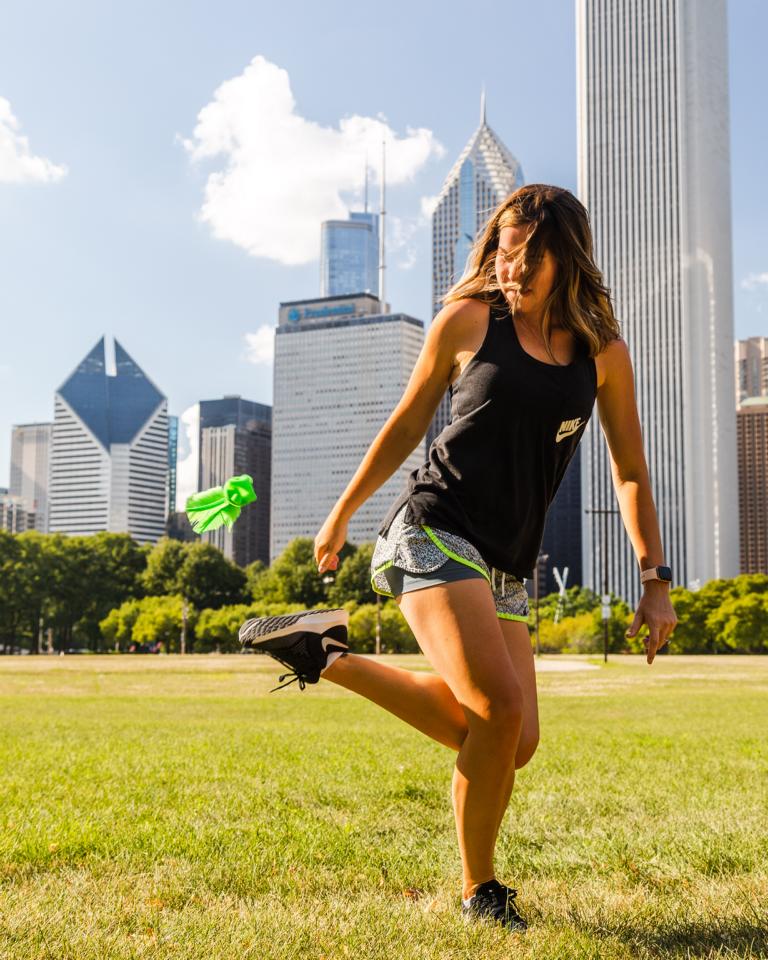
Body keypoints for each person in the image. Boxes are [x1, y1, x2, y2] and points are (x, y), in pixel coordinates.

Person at [239, 183, 678, 931]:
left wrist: (653, 577)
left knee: (515, 740)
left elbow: (630, 469)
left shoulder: (602, 352)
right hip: (434, 527)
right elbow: (407, 423)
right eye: (505, 252)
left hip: (507, 562)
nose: (513, 268)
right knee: (498, 712)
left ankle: (325, 653)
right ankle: (481, 890)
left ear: (567, 256)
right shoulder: (471, 320)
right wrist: (341, 514)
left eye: (530, 256)